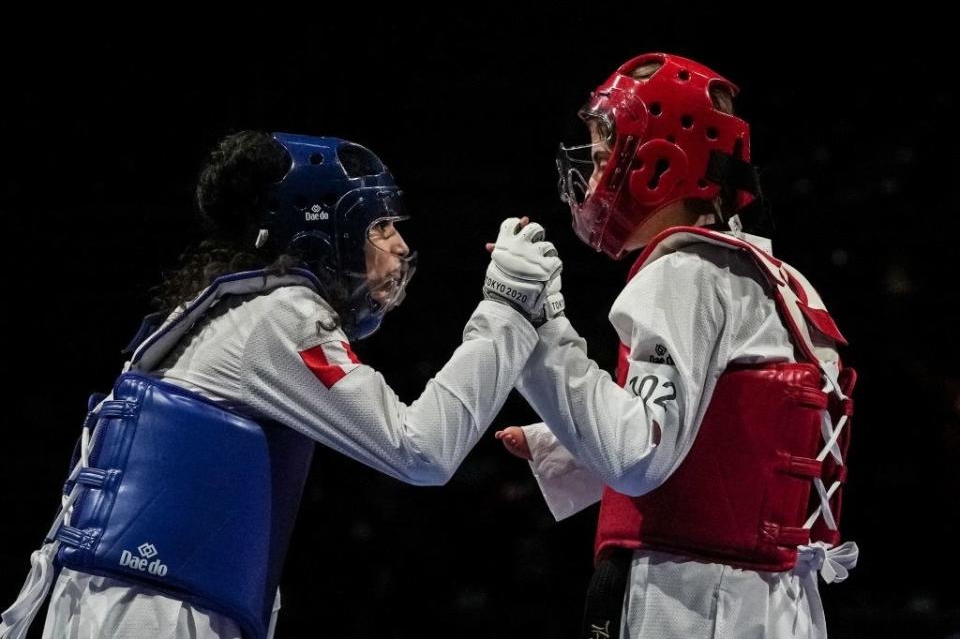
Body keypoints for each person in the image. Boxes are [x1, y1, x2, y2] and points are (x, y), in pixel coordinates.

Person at [1, 131, 563, 639]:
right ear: (325, 231)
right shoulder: (282, 313)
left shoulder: (236, 304)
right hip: (151, 609)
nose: (398, 246)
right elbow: (422, 449)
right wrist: (507, 309)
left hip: (133, 602)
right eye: (380, 226)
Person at [495, 52, 858, 638]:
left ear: (657, 165)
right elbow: (739, 432)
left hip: (695, 599)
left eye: (601, 156)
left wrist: (537, 327)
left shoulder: (682, 273)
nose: (590, 180)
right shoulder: (773, 274)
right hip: (780, 599)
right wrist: (565, 443)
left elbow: (640, 458)